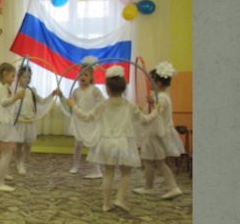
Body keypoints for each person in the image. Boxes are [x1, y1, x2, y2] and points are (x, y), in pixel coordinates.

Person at [66, 66, 163, 212]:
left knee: (108, 173)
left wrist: (73, 106)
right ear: (123, 88)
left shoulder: (103, 105)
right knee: (126, 173)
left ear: (107, 89)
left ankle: (106, 204)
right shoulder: (129, 105)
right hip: (124, 144)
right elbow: (145, 121)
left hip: (106, 143)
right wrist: (156, 110)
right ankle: (119, 198)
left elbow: (86, 117)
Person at [133, 62, 185, 199]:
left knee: (159, 161)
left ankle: (173, 187)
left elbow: (156, 114)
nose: (149, 83)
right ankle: (148, 187)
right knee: (148, 159)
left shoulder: (160, 98)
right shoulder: (162, 96)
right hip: (155, 132)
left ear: (158, 83)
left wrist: (152, 104)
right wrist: (143, 109)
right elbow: (152, 112)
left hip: (156, 133)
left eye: (151, 81)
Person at [0, 62, 25, 192]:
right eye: (13, 76)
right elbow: (4, 103)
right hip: (1, 123)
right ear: (5, 74)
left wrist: (15, 97)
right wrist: (16, 97)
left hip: (2, 122)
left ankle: (1, 173)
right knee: (7, 153)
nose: (14, 79)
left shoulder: (4, 86)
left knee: (6, 152)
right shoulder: (2, 88)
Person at [13, 65, 58, 175]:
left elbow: (41, 101)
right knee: (19, 144)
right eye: (24, 77)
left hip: (29, 121)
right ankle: (18, 162)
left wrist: (52, 94)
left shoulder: (32, 90)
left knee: (28, 144)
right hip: (20, 121)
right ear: (19, 77)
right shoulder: (15, 91)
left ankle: (23, 163)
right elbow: (11, 105)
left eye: (29, 77)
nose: (27, 79)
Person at [68, 57, 105, 178]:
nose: (83, 77)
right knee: (78, 144)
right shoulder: (76, 91)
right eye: (81, 74)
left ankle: (96, 169)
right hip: (80, 121)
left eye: (86, 75)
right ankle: (75, 166)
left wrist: (95, 113)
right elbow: (70, 104)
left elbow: (103, 103)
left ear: (91, 77)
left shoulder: (95, 90)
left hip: (91, 121)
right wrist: (62, 96)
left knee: (94, 145)